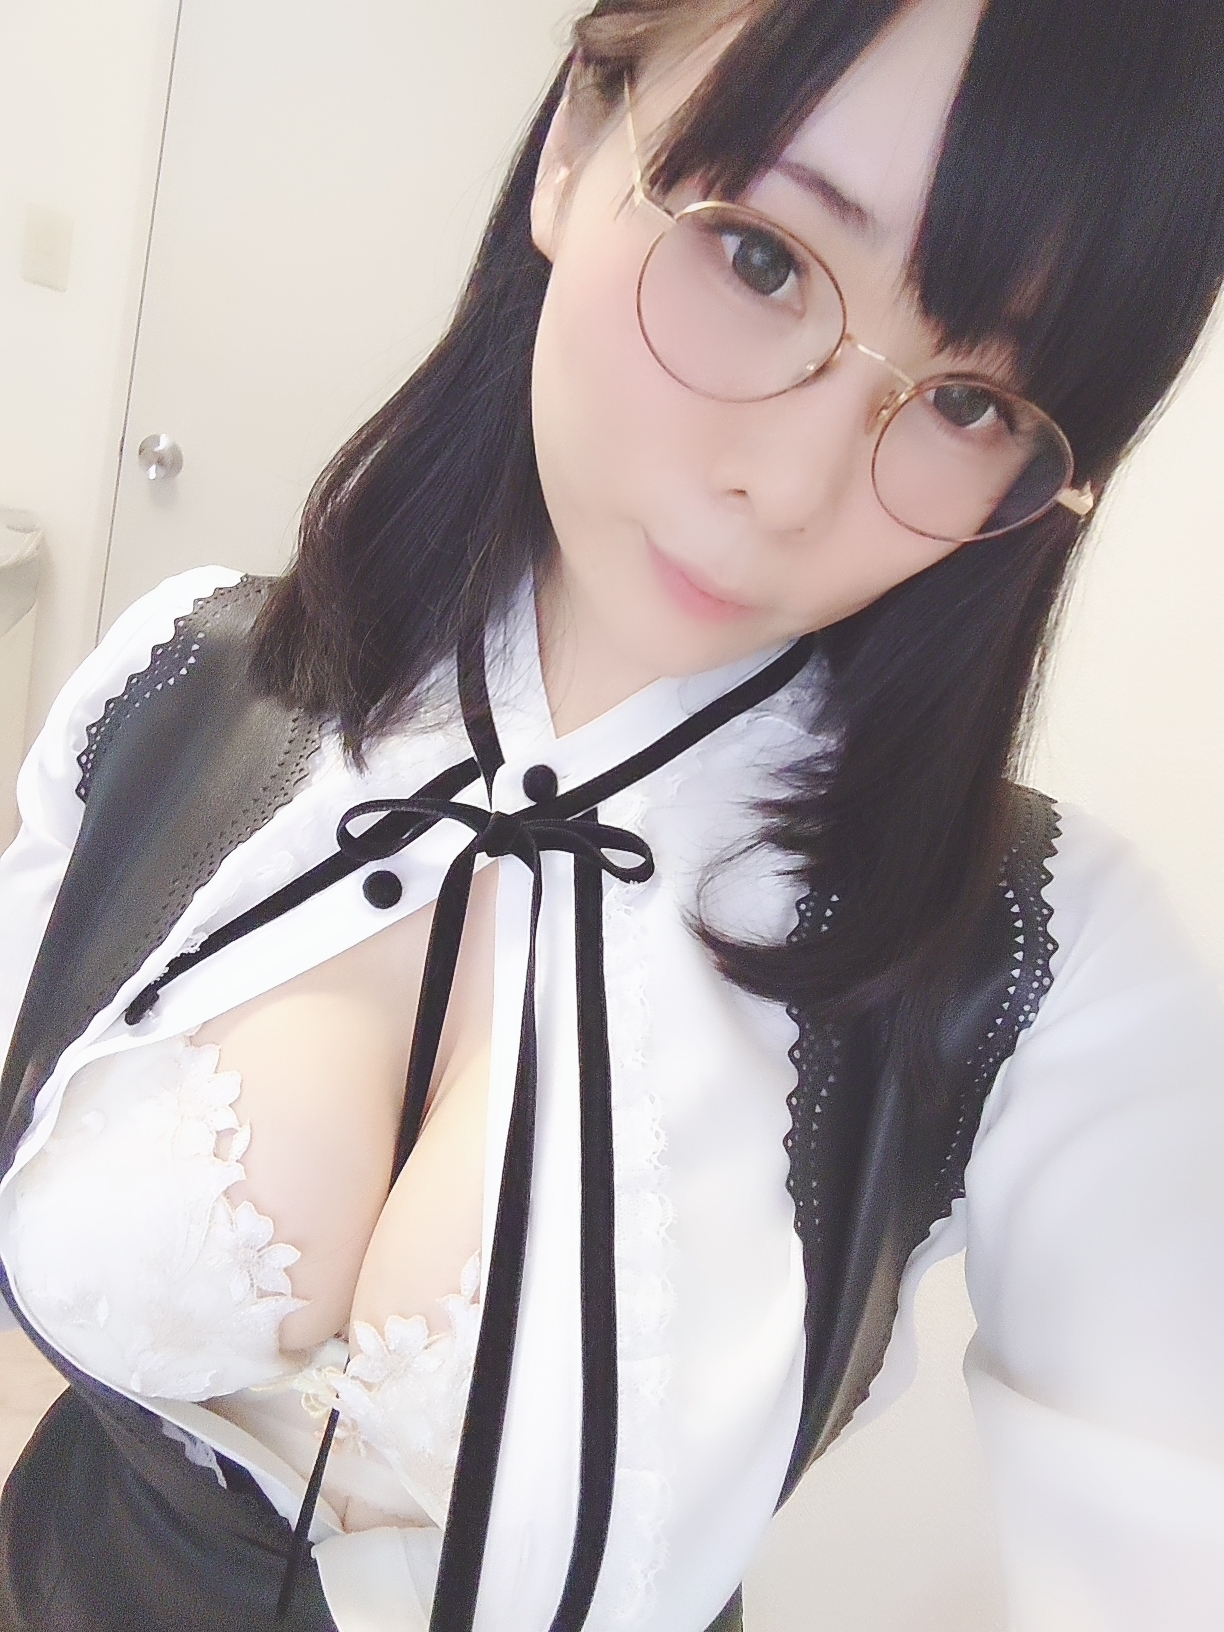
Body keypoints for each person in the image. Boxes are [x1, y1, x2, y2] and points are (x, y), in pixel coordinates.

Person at [0, 0, 1222, 1627]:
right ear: (577, 144)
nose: (789, 485)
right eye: (762, 258)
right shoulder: (178, 681)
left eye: (972, 404)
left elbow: (1165, 1526)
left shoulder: (1047, 956)